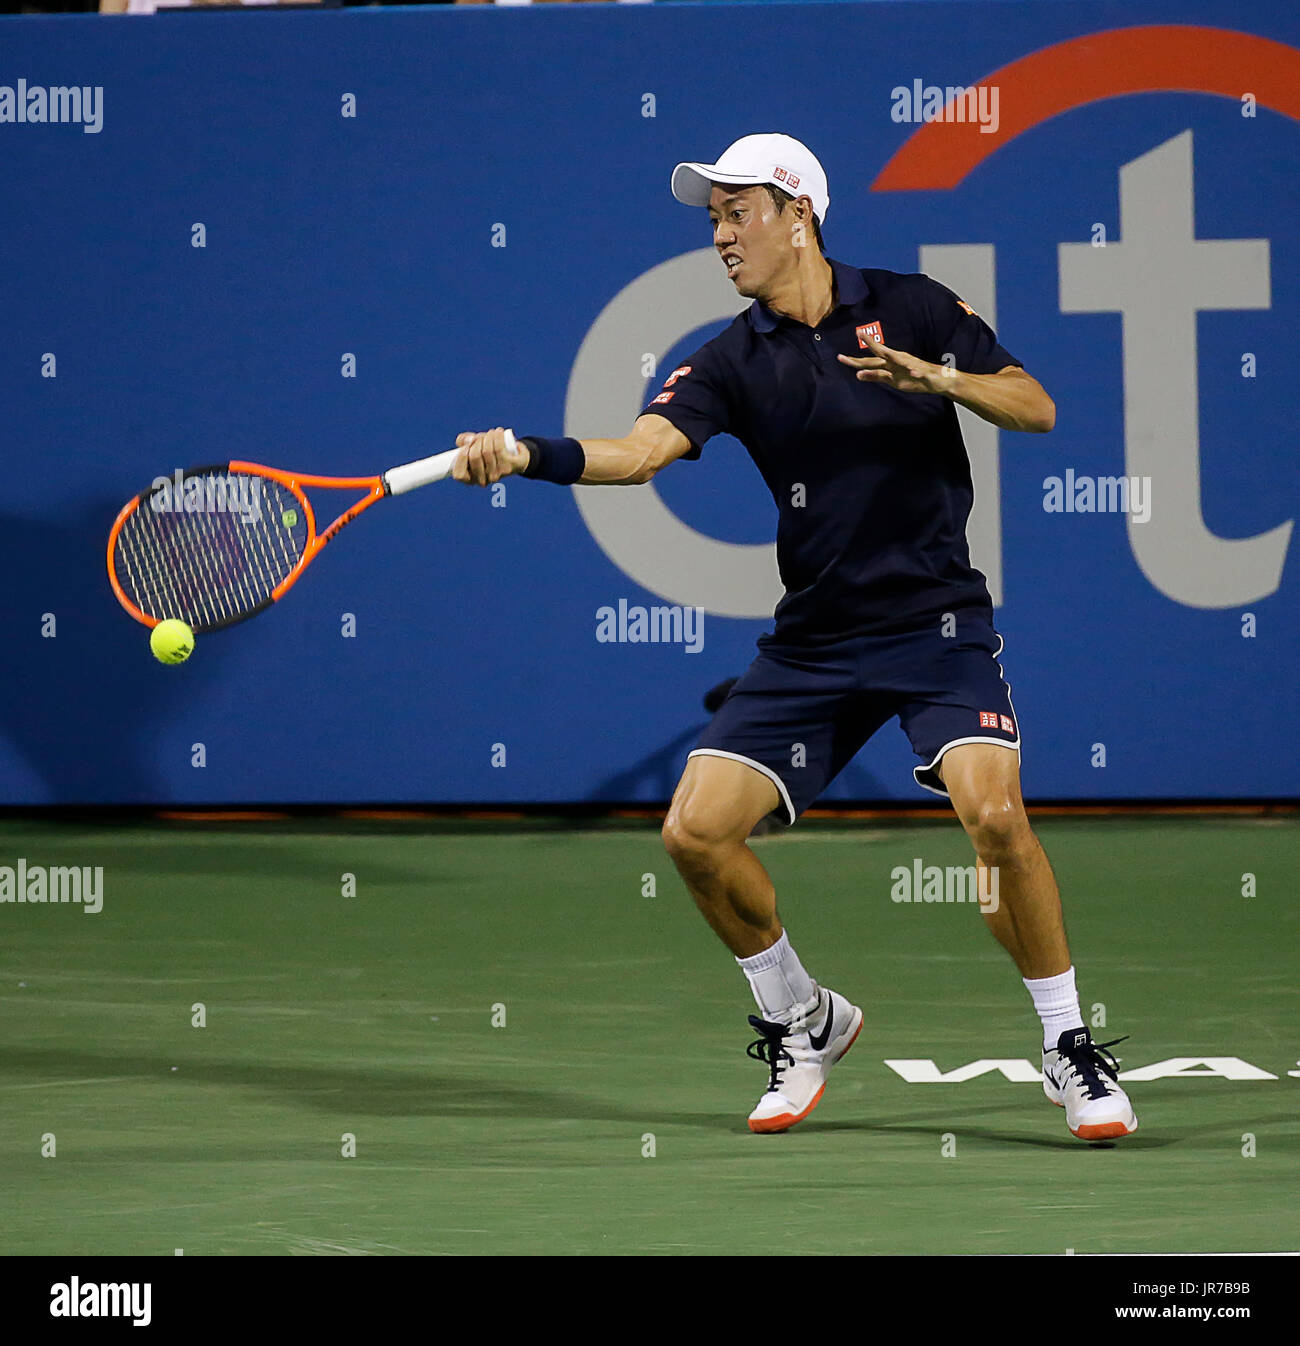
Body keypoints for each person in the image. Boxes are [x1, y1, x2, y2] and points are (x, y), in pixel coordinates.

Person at [452, 133, 1138, 1142]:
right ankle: (800, 1014)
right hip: (816, 638)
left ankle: (1067, 1045)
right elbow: (639, 453)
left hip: (935, 621)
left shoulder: (911, 306)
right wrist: (525, 453)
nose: (721, 235)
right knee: (692, 831)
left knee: (993, 818)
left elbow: (1032, 405)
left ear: (798, 213)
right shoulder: (730, 358)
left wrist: (938, 379)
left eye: (738, 213)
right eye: (713, 219)